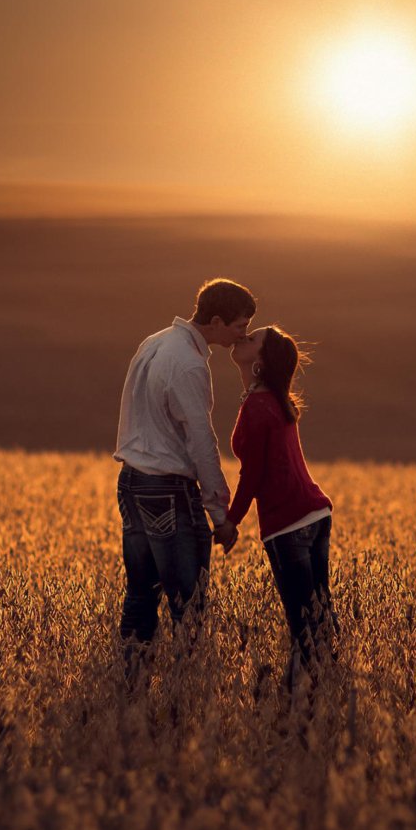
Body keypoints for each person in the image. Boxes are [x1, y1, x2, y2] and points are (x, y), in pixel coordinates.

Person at [114, 278, 254, 664]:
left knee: (141, 593)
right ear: (215, 321)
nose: (242, 334)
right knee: (188, 604)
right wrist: (220, 514)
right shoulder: (189, 364)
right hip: (167, 488)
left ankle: (129, 684)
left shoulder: (154, 342)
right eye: (239, 325)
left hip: (131, 481)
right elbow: (201, 442)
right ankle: (186, 692)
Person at [226, 325, 335, 685]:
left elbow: (252, 476)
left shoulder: (258, 405)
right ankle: (326, 693)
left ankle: (298, 706)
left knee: (303, 627)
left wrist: (231, 522)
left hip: (288, 524)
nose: (242, 338)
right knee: (320, 618)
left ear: (261, 360)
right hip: (316, 513)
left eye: (252, 338)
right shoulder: (275, 399)